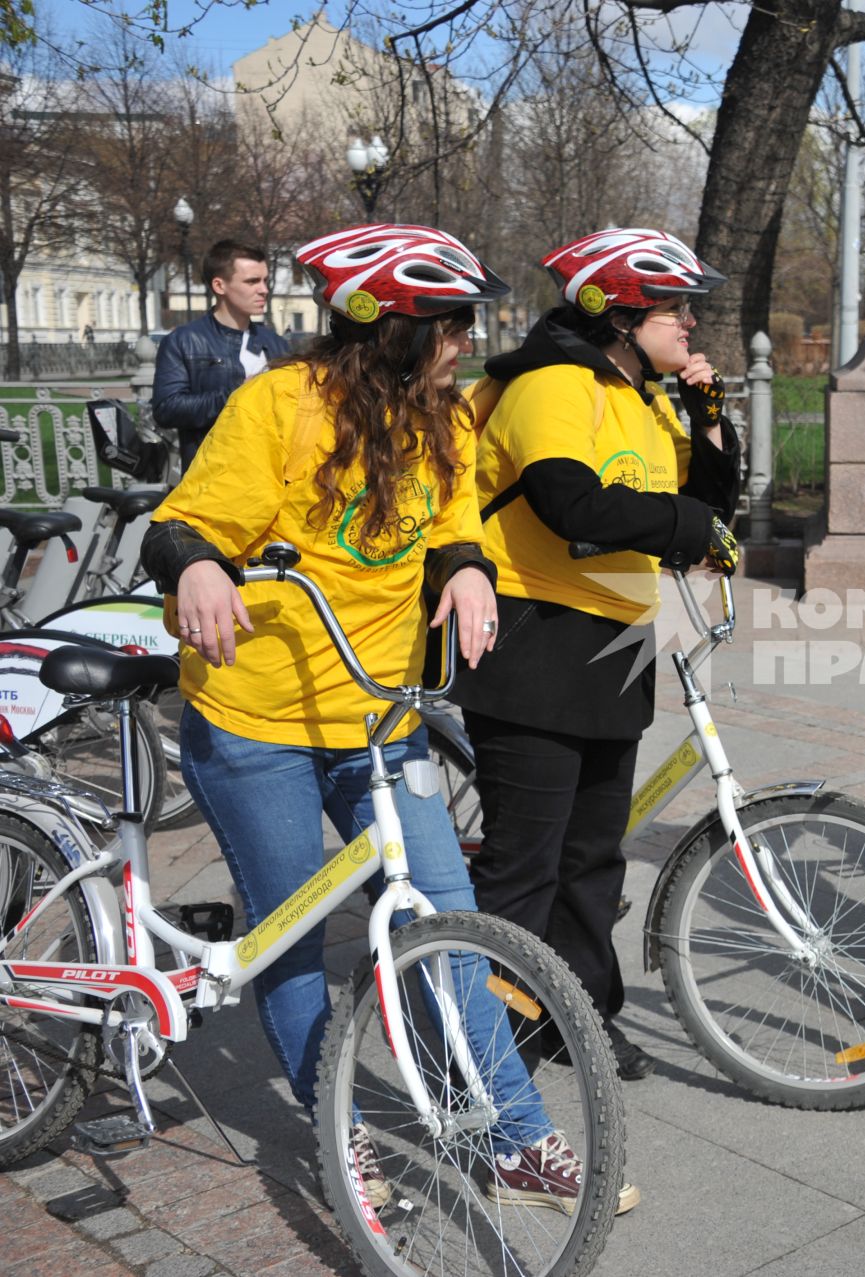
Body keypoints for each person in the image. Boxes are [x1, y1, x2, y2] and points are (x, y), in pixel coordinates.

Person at [140, 223, 637, 1215]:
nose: (463, 343)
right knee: (293, 934)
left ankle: (515, 1133)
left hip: (379, 721)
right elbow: (182, 523)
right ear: (387, 326)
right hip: (256, 720)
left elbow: (454, 525)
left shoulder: (444, 421)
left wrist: (467, 574)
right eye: (449, 325)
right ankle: (342, 1132)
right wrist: (197, 562)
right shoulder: (279, 403)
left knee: (447, 917)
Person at [452, 228, 741, 1082]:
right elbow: (570, 501)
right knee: (526, 863)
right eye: (674, 306)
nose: (688, 321)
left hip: (614, 637)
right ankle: (488, 1042)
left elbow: (709, 504)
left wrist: (709, 413)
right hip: (532, 635)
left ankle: (574, 1017)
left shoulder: (641, 394)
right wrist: (691, 526)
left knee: (592, 858)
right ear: (613, 310)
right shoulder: (549, 382)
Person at [152, 239, 290, 466]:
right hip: (212, 479)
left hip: (270, 478)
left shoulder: (276, 344)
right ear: (219, 286)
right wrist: (238, 393)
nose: (264, 290)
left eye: (265, 280)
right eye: (252, 281)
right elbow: (167, 409)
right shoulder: (183, 341)